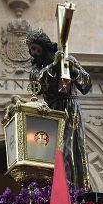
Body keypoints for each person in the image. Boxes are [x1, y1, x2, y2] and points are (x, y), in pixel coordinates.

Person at [26, 28, 92, 187]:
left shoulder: (69, 60)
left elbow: (86, 85)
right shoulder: (36, 69)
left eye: (35, 48)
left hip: (70, 110)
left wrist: (72, 68)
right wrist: (54, 65)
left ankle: (73, 186)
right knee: (55, 153)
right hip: (51, 111)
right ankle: (57, 186)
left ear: (44, 46)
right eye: (31, 50)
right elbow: (38, 84)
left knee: (70, 150)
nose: (33, 53)